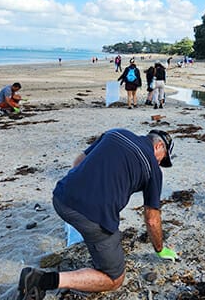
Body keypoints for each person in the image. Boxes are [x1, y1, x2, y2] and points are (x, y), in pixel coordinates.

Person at [17, 128, 178, 299]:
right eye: (164, 158)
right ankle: (42, 280)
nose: (160, 163)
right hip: (92, 216)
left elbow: (79, 162)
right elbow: (152, 219)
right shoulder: (153, 169)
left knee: (90, 228)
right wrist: (160, 249)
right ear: (159, 146)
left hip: (61, 197)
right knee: (114, 278)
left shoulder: (116, 133)